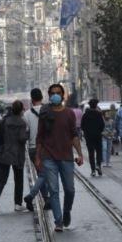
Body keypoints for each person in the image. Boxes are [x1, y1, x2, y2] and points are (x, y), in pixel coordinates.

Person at [35, 84, 85, 232]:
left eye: (58, 93)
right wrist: (38, 157)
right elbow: (40, 137)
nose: (55, 95)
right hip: (48, 157)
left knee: (70, 189)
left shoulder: (69, 113)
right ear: (49, 96)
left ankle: (67, 211)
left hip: (66, 157)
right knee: (54, 191)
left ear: (63, 95)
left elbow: (74, 135)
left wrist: (80, 154)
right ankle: (58, 221)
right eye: (52, 93)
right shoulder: (44, 113)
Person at [0, 101, 29, 212]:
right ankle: (17, 204)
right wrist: (27, 134)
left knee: (2, 179)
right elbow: (21, 138)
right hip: (17, 154)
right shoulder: (22, 122)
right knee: (18, 179)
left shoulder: (5, 120)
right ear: (21, 110)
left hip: (4, 153)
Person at [23, 88, 51, 212]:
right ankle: (31, 196)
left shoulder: (27, 114)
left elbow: (26, 132)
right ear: (41, 98)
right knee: (44, 174)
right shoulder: (49, 111)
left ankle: (47, 200)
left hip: (33, 148)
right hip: (46, 148)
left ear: (32, 99)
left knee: (41, 175)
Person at [81, 99, 106, 177]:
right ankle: (98, 165)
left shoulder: (85, 115)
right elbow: (102, 125)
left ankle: (93, 170)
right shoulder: (99, 114)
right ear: (96, 105)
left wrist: (86, 132)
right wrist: (99, 131)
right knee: (99, 151)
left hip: (89, 136)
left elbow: (82, 126)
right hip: (97, 136)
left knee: (91, 153)